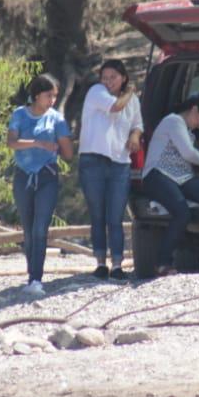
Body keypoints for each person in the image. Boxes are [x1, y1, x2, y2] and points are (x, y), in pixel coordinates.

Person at [7, 74, 74, 296]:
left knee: (40, 228)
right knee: (28, 228)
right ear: (37, 95)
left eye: (55, 96)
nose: (52, 100)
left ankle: (37, 278)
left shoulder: (57, 119)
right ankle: (31, 274)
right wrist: (37, 142)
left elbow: (68, 154)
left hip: (47, 176)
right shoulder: (19, 115)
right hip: (23, 176)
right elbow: (12, 142)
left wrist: (63, 143)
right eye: (49, 95)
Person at [141, 96, 199, 275]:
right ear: (194, 110)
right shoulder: (174, 121)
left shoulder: (187, 131)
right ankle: (163, 262)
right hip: (158, 174)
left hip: (181, 176)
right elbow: (188, 153)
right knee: (182, 213)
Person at [78, 59, 143, 281]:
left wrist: (135, 136)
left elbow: (137, 124)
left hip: (120, 162)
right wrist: (131, 90)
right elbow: (116, 106)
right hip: (93, 161)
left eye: (113, 77)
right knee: (98, 214)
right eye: (105, 77)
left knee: (115, 215)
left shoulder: (132, 100)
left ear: (122, 77)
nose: (108, 82)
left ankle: (117, 264)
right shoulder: (97, 92)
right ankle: (100, 262)